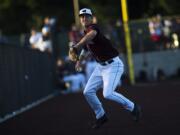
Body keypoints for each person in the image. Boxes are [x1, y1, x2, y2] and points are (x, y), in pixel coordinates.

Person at [70, 8, 142, 129]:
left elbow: (90, 36)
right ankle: (101, 115)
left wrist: (76, 46)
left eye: (86, 16)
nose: (84, 18)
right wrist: (79, 61)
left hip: (113, 65)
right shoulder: (85, 32)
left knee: (107, 94)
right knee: (87, 91)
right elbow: (86, 48)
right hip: (101, 67)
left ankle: (133, 107)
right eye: (82, 16)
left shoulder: (93, 28)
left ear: (91, 18)